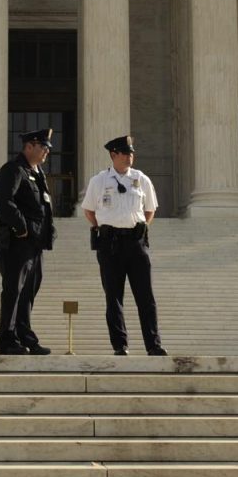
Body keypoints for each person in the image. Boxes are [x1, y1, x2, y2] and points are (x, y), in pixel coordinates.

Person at [81, 135, 166, 355]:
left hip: (135, 242)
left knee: (146, 297)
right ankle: (120, 345)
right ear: (113, 155)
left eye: (131, 153)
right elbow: (89, 210)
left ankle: (153, 345)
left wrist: (143, 226)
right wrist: (103, 227)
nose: (130, 157)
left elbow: (150, 208)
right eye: (125, 153)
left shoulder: (141, 179)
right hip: (110, 245)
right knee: (114, 297)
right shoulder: (98, 181)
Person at [0, 127, 57, 355]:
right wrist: (21, 228)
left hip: (34, 244)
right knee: (13, 290)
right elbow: (3, 201)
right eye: (43, 147)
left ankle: (25, 336)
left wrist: (48, 232)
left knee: (28, 291)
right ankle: (7, 339)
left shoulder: (37, 174)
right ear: (29, 146)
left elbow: (42, 208)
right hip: (15, 242)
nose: (47, 152)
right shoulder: (13, 170)